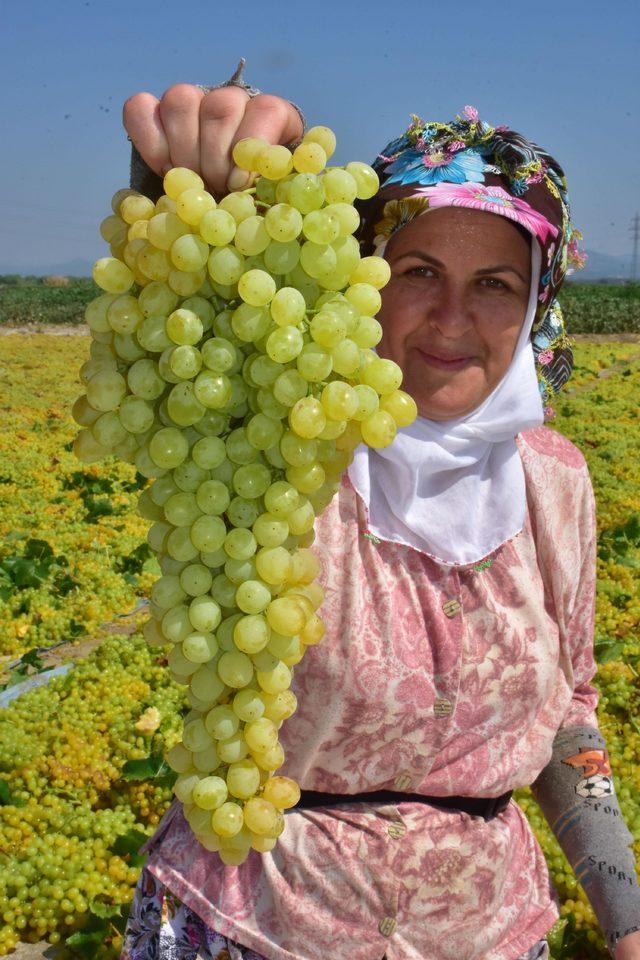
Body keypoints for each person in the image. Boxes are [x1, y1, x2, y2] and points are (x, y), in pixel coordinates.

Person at [119, 63, 640, 960]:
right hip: (255, 929)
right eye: (419, 270)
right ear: (358, 277)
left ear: (535, 309)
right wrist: (202, 186)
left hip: (489, 934)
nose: (451, 317)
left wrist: (627, 919)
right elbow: (201, 324)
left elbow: (571, 717)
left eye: (495, 285)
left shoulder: (556, 481)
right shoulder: (285, 440)